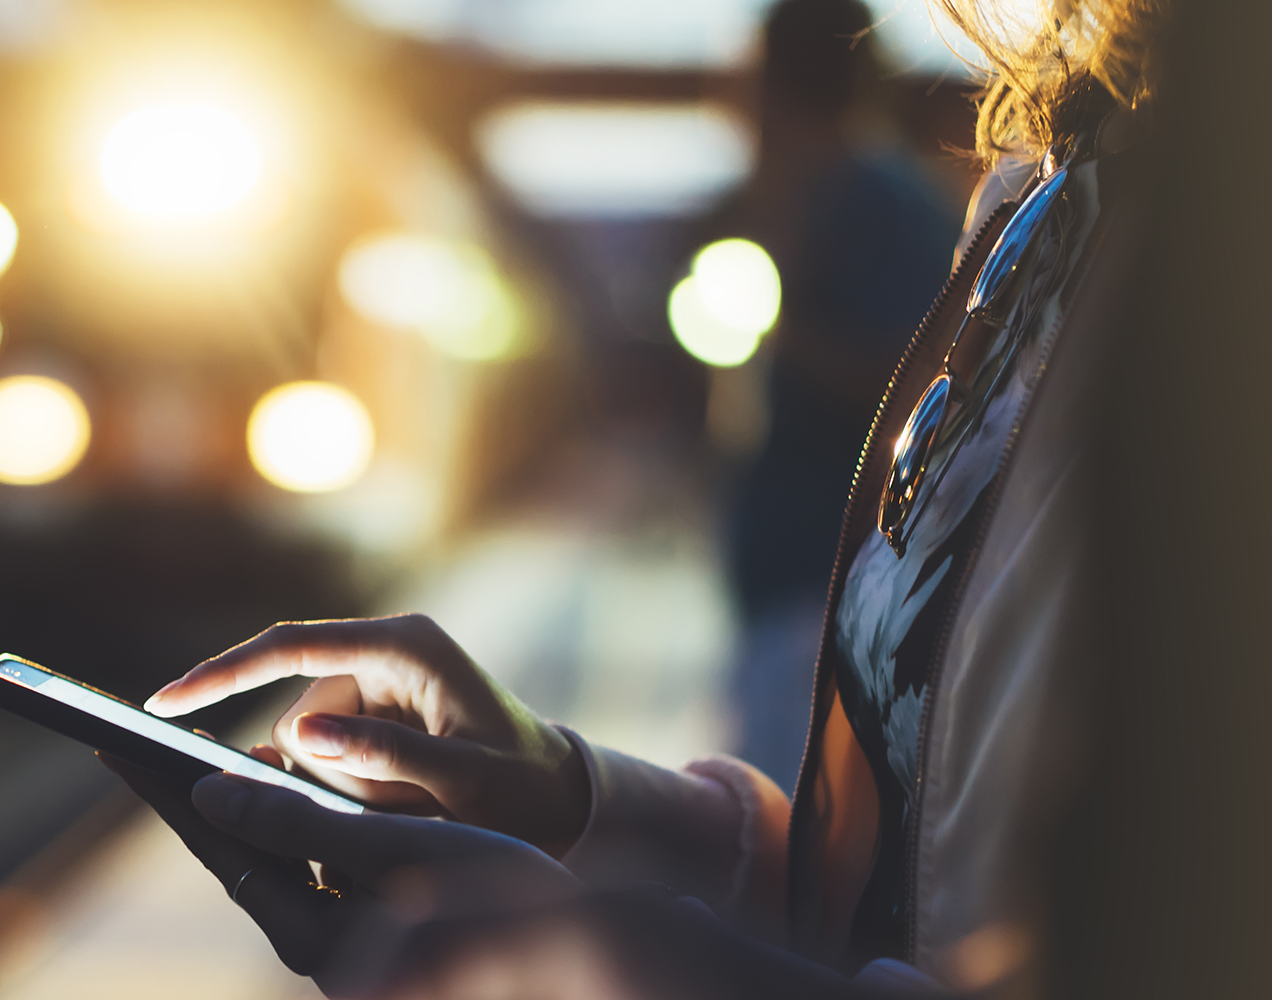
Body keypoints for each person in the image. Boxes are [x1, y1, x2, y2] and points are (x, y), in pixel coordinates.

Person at [109, 0, 1168, 993]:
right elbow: (911, 887)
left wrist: (677, 976)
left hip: (787, 600)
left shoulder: (1173, 238)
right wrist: (578, 799)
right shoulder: (1047, 186)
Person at [708, 0, 960, 786]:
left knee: (783, 858)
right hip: (808, 602)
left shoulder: (871, 203)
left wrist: (787, 333)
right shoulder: (835, 197)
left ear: (775, 80)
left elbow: (913, 384)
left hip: (826, 607)